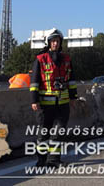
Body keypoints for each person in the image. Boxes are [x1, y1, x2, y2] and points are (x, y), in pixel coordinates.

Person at [29, 28, 78, 167]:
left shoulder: (67, 59)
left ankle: (54, 160)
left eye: (57, 41)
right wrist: (34, 100)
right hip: (45, 106)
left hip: (62, 104)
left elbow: (72, 80)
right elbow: (34, 82)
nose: (55, 43)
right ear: (48, 43)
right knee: (43, 134)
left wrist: (73, 97)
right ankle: (41, 160)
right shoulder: (40, 59)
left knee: (58, 134)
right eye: (53, 41)